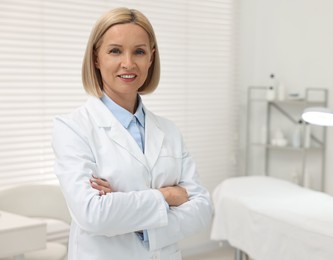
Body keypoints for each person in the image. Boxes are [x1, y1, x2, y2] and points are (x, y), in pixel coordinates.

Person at [51, 7, 213, 260]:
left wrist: (142, 226)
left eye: (139, 51)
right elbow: (93, 214)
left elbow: (202, 209)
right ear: (96, 58)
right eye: (115, 50)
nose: (128, 63)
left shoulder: (168, 131)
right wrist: (167, 196)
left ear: (151, 58)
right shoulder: (72, 128)